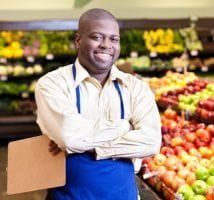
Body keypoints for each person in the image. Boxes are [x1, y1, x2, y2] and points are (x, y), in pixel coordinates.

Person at [35, 8, 162, 200]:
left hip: (123, 194)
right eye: (97, 37)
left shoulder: (135, 87)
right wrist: (123, 127)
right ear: (78, 40)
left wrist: (92, 147)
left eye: (114, 39)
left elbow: (151, 142)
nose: (106, 45)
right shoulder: (53, 83)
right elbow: (70, 137)